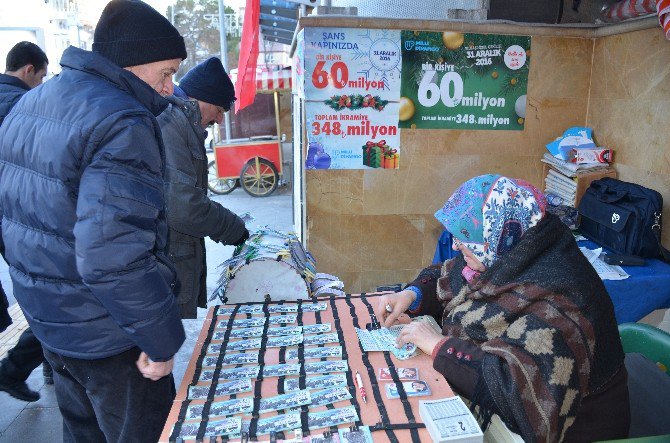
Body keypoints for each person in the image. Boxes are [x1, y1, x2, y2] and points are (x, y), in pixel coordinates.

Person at [0, 1, 187, 441]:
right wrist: (160, 341)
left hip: (53, 324)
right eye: (166, 72)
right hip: (111, 335)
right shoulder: (122, 120)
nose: (170, 87)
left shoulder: (34, 103)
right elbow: (113, 255)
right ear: (133, 65)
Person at [376, 175, 629, 442]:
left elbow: (516, 389)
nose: (455, 245)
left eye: (465, 237)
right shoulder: (513, 251)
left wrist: (439, 346)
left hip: (578, 430)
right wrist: (411, 294)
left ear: (499, 233)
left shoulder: (562, 298)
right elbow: (451, 276)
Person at [157, 57, 248, 319]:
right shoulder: (171, 124)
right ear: (201, 99)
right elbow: (183, 206)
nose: (220, 119)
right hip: (167, 260)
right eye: (220, 109)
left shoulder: (182, 124)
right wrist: (233, 228)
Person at [0, 41, 50, 402]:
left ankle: (45, 365)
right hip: (16, 216)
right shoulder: (20, 105)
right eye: (42, 75)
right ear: (29, 69)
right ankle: (14, 369)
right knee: (47, 297)